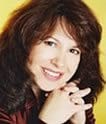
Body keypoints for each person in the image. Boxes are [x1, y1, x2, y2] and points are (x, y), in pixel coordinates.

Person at [0, 0, 105, 123]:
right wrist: (48, 121)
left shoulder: (72, 94)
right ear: (24, 41)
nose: (60, 63)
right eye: (51, 43)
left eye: (73, 51)